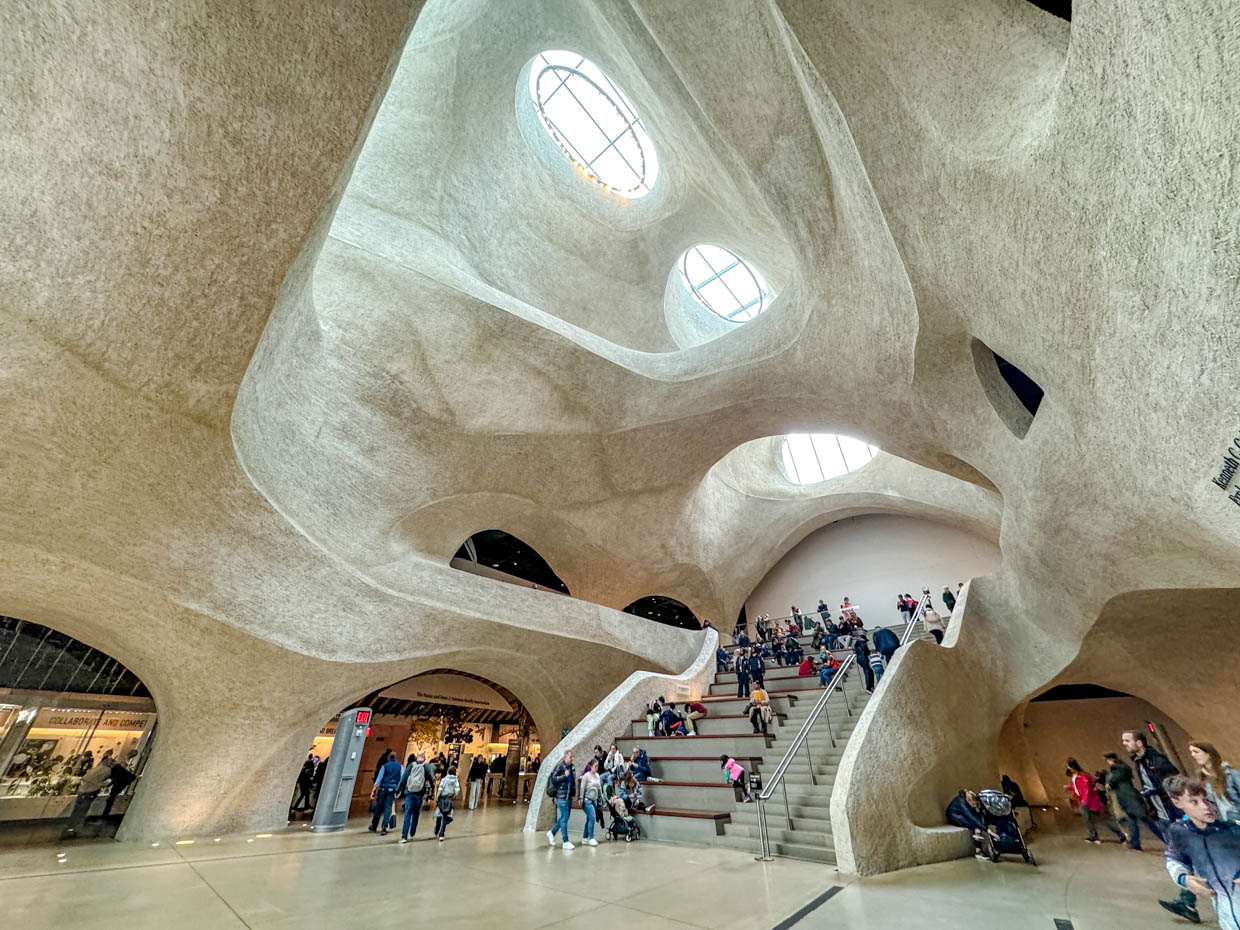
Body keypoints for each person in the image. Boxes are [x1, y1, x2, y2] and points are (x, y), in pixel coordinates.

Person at [1163, 775, 1240, 929]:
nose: (1205, 807)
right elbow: (1175, 859)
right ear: (1177, 803)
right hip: (1227, 916)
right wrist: (1183, 878)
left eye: (1206, 800)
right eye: (1194, 802)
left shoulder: (1232, 831)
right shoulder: (1180, 833)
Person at [1105, 752, 1163, 850]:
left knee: (1146, 821)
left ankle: (1166, 839)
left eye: (1108, 760)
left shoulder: (1117, 769)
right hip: (1128, 798)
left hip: (1129, 798)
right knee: (1133, 821)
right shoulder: (1122, 768)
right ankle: (1134, 843)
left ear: (1111, 760)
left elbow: (1114, 780)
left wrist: (1109, 784)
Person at [1067, 758, 1125, 844]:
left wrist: (1085, 801)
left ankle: (1120, 835)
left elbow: (1088, 789)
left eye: (1069, 766)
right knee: (1089, 819)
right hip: (1084, 800)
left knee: (1102, 819)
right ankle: (1093, 836)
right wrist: (1069, 788)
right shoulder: (1075, 777)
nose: (1068, 768)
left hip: (1090, 801)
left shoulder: (1083, 776)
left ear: (1072, 767)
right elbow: (1076, 787)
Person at [62, 751, 114, 838]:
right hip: (91, 792)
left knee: (76, 810)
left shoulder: (96, 769)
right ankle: (74, 829)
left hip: (83, 791)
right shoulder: (108, 771)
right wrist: (102, 784)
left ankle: (69, 827)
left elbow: (85, 777)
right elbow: (106, 783)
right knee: (83, 811)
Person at [1189, 740, 1240, 821]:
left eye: (1196, 752)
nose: (1193, 755)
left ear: (1208, 753)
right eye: (1191, 752)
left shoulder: (1230, 773)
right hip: (1222, 822)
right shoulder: (1202, 778)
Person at [946, 789, 999, 860]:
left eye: (975, 804)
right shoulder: (962, 803)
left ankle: (979, 850)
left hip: (962, 813)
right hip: (954, 815)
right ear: (968, 801)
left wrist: (977, 809)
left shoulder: (970, 802)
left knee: (978, 822)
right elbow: (971, 817)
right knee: (976, 825)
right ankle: (978, 851)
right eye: (973, 804)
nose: (974, 806)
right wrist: (988, 830)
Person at [399, 752, 433, 842]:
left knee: (408, 813)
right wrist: (432, 790)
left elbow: (404, 778)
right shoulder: (426, 766)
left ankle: (404, 836)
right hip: (420, 792)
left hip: (409, 791)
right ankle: (412, 831)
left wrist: (398, 789)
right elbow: (431, 778)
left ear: (416, 757)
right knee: (416, 812)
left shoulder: (411, 765)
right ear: (424, 757)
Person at [546, 750, 576, 850]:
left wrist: (574, 793)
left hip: (568, 796)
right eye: (570, 757)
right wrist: (564, 776)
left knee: (564, 817)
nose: (572, 759)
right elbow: (553, 779)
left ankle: (552, 832)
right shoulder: (560, 767)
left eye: (572, 757)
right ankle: (565, 841)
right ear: (565, 757)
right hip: (561, 796)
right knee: (564, 818)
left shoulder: (572, 767)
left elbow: (572, 782)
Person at [370, 750, 404, 835]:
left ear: (388, 758)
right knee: (388, 808)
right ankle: (384, 827)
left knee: (378, 808)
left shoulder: (385, 766)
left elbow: (379, 779)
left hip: (383, 788)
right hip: (392, 789)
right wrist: (398, 789)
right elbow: (402, 778)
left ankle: (374, 826)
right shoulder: (400, 766)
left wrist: (373, 790)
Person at [101, 751, 137, 817]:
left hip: (121, 781)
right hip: (122, 780)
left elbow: (119, 776)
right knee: (111, 798)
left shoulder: (116, 767)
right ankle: (105, 813)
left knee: (111, 798)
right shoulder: (118, 765)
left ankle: (105, 814)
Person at [433, 764, 460, 842]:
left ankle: (436, 829)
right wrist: (454, 796)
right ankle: (441, 834)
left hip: (442, 798)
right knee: (446, 816)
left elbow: (440, 789)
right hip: (449, 798)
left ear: (448, 771)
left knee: (439, 814)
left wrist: (437, 798)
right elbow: (457, 790)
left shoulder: (444, 779)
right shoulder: (455, 780)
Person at [580, 761, 601, 846]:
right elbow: (582, 788)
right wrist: (581, 798)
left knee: (589, 819)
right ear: (591, 766)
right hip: (587, 800)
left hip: (594, 800)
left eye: (597, 766)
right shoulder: (586, 776)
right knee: (592, 817)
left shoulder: (598, 776)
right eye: (595, 766)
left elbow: (599, 788)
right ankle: (591, 838)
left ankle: (585, 837)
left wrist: (600, 799)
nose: (596, 768)